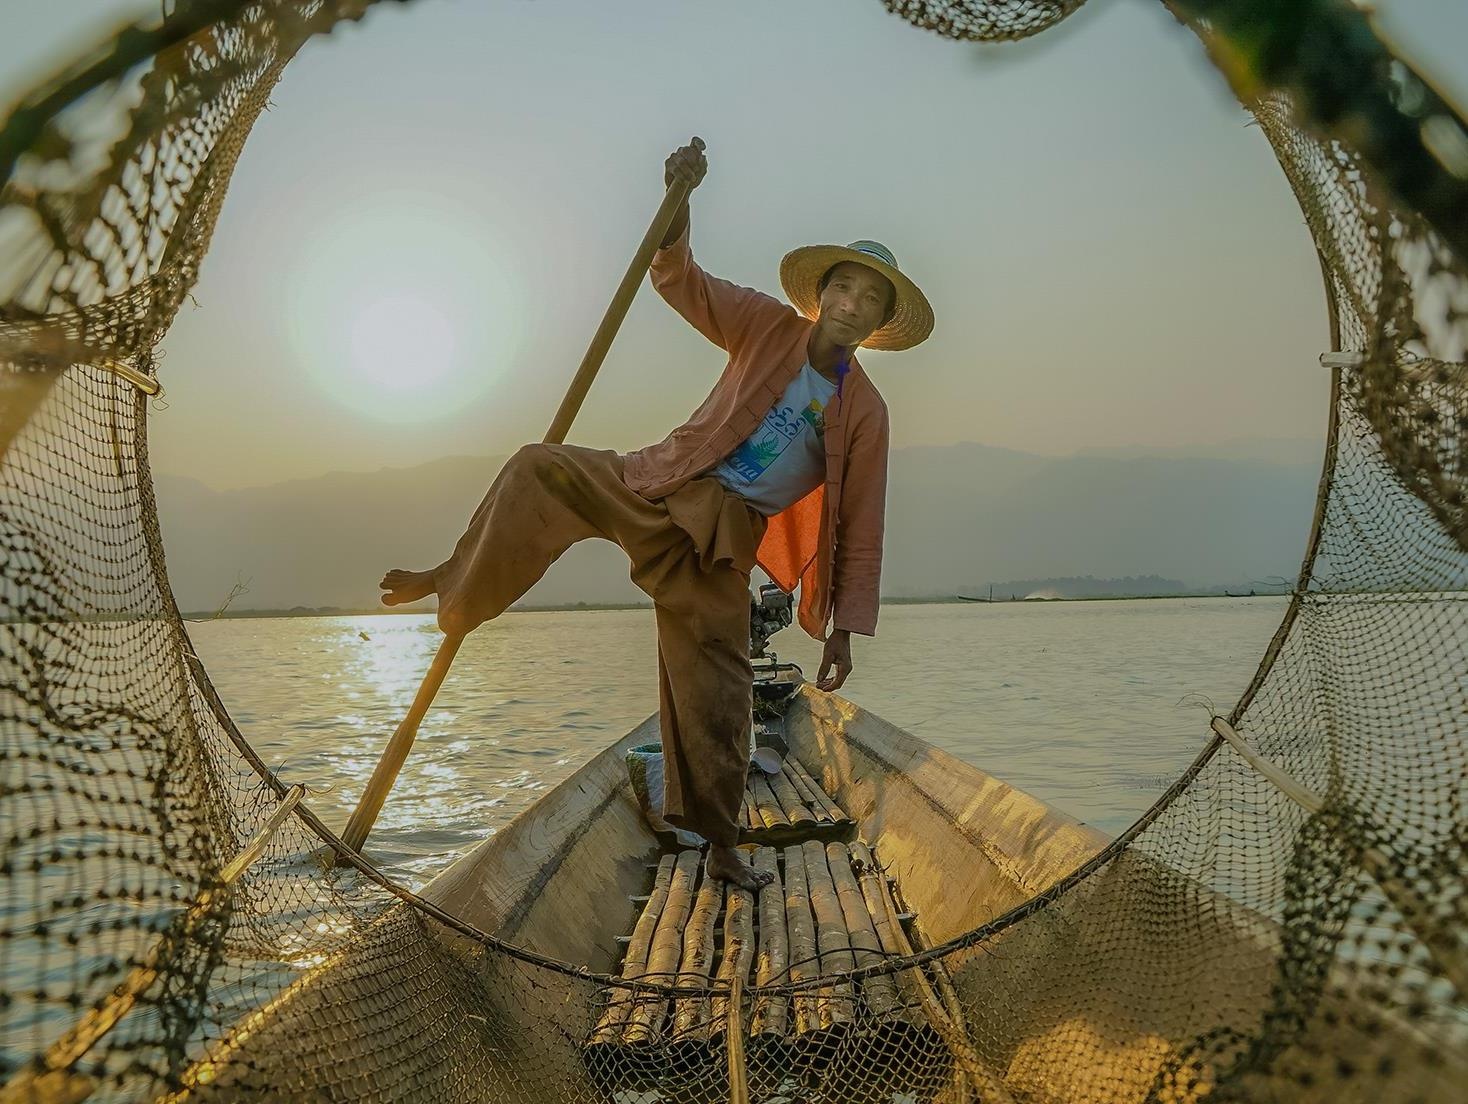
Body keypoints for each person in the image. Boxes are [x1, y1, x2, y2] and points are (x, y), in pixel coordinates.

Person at [379, 138, 933, 889]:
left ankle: (722, 844)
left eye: (869, 300)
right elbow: (682, 282)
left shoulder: (865, 410)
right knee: (539, 465)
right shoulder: (767, 325)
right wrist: (680, 203)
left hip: (720, 542)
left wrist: (843, 629)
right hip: (656, 484)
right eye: (843, 288)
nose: (851, 305)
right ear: (821, 295)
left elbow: (861, 526)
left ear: (878, 325)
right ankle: (455, 580)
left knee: (720, 699)